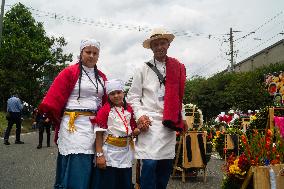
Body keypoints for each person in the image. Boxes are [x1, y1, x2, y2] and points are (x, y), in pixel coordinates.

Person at [38, 38, 107, 189]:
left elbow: (107, 101)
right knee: (78, 163)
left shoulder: (102, 77)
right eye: (88, 52)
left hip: (95, 126)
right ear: (81, 53)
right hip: (74, 124)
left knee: (93, 163)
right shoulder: (69, 72)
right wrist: (56, 117)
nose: (91, 55)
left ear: (98, 55)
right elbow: (54, 96)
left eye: (95, 53)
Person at [127, 28, 186, 189]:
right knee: (150, 164)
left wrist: (183, 118)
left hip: (169, 123)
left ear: (168, 45)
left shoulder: (177, 67)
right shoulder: (142, 68)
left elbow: (179, 97)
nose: (159, 47)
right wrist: (140, 116)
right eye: (156, 44)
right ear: (151, 47)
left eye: (162, 43)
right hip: (150, 123)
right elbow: (132, 96)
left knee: (165, 167)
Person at [91, 79, 140, 189]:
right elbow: (98, 135)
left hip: (125, 153)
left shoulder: (129, 109)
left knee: (124, 183)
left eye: (119, 92)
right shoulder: (104, 111)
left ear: (123, 92)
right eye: (112, 94)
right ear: (108, 96)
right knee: (109, 183)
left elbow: (132, 129)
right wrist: (99, 155)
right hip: (110, 154)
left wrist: (137, 130)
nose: (116, 96)